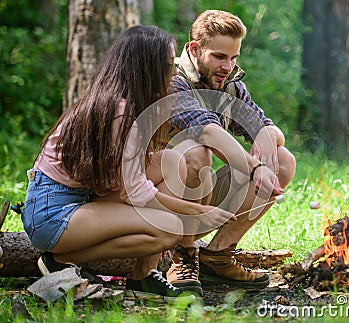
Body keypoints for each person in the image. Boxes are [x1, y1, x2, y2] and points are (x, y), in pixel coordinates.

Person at [20, 25, 235, 299]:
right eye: (168, 65)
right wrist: (197, 212)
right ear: (147, 68)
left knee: (173, 161)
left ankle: (144, 276)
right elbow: (136, 193)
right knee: (169, 229)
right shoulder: (120, 113)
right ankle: (61, 260)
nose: (173, 72)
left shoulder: (125, 104)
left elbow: (131, 185)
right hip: (53, 213)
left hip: (80, 199)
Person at [164, 10, 296, 290]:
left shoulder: (230, 85)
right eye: (220, 57)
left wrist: (264, 136)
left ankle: (218, 257)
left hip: (200, 203)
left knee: (283, 160)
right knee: (197, 154)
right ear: (195, 49)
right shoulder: (172, 82)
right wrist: (255, 167)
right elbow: (209, 132)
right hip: (156, 205)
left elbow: (270, 128)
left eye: (234, 57)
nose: (228, 65)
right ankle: (182, 257)